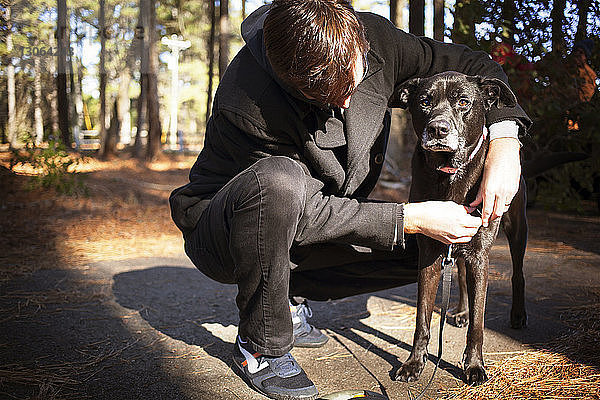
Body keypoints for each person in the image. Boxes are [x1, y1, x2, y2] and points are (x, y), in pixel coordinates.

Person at [169, 1, 531, 399]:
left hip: (312, 218)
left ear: (360, 45)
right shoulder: (249, 97)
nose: (343, 103)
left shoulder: (378, 40)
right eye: (322, 95)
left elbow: (474, 64)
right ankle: (261, 344)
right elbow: (299, 212)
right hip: (227, 230)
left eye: (352, 84)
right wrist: (408, 217)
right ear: (290, 81)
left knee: (430, 246)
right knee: (281, 183)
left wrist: (505, 141)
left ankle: (288, 293)